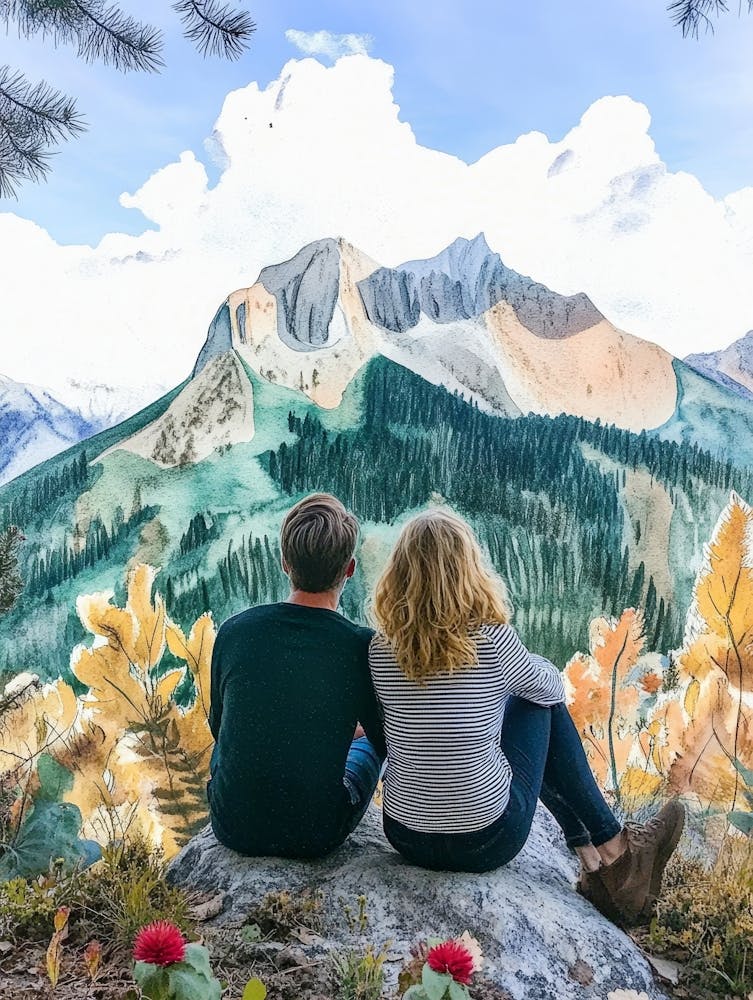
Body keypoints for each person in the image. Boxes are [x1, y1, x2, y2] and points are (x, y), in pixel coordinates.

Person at [368, 508, 684, 927]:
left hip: (407, 836)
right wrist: (523, 665)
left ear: (398, 575)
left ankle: (594, 859)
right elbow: (551, 689)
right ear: (468, 571)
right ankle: (613, 851)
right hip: (486, 840)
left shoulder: (380, 650)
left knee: (500, 716)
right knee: (537, 706)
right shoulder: (491, 639)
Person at [207, 493, 386, 858]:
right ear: (349, 568)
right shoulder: (360, 646)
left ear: (284, 563)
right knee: (367, 745)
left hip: (232, 824)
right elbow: (386, 740)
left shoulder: (234, 631)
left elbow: (220, 726)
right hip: (315, 832)